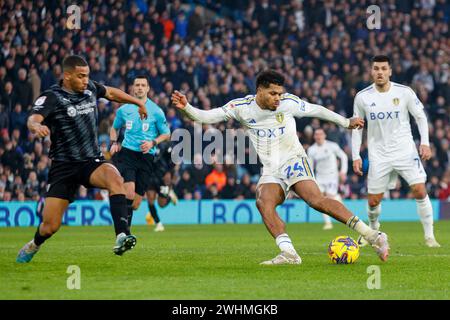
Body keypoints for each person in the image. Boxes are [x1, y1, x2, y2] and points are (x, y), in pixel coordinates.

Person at [171, 69, 390, 265]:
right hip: (271, 168)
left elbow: (317, 110)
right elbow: (208, 116)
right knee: (263, 203)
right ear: (259, 90)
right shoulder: (241, 108)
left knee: (315, 201)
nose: (278, 98)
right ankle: (289, 253)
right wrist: (187, 107)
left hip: (293, 160)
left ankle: (372, 235)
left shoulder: (288, 103)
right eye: (273, 93)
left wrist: (345, 122)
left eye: (279, 93)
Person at [16, 55, 148, 263]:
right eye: (81, 76)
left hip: (90, 161)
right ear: (67, 76)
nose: (85, 80)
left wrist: (137, 102)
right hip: (64, 166)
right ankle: (34, 244)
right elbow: (33, 118)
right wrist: (36, 126)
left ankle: (122, 235)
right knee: (50, 226)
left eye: (87, 75)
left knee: (115, 178)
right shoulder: (52, 96)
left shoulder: (90, 89)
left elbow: (111, 93)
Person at [352, 55, 440, 248]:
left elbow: (420, 116)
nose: (380, 72)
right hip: (378, 154)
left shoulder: (404, 92)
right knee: (374, 201)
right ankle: (373, 232)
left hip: (404, 151)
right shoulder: (363, 97)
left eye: (384, 68)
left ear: (390, 71)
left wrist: (425, 142)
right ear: (371, 71)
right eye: (376, 68)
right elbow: (357, 127)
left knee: (419, 189)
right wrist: (355, 155)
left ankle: (429, 236)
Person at [109, 75, 170, 234]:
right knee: (128, 192)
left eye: (143, 85)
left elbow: (166, 133)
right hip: (128, 154)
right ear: (133, 88)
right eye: (137, 85)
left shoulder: (156, 111)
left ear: (148, 88)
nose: (140, 88)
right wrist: (114, 143)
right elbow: (114, 128)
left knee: (135, 203)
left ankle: (124, 226)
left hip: (146, 157)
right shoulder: (124, 109)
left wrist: (153, 143)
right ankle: (124, 233)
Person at [307, 128, 348, 230]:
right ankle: (328, 223)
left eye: (320, 134)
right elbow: (310, 166)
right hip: (319, 178)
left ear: (324, 136)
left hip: (332, 176)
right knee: (320, 199)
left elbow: (343, 157)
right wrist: (311, 179)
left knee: (330, 197)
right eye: (316, 134)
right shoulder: (311, 150)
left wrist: (343, 171)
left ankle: (346, 215)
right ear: (314, 137)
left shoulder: (332, 146)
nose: (318, 136)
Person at [144, 141, 178, 232]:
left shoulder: (167, 145)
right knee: (150, 199)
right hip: (150, 175)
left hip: (162, 176)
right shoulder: (147, 141)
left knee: (161, 204)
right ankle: (158, 223)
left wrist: (169, 173)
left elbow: (174, 160)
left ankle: (169, 196)